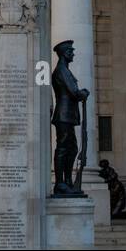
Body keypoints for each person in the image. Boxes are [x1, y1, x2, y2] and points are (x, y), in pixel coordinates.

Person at [50, 40, 89, 196]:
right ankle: (60, 183)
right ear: (64, 53)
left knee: (71, 148)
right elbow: (74, 92)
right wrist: (83, 93)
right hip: (63, 116)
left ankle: (67, 181)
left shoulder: (65, 70)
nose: (73, 54)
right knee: (63, 148)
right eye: (70, 51)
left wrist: (81, 93)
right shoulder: (61, 70)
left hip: (68, 116)